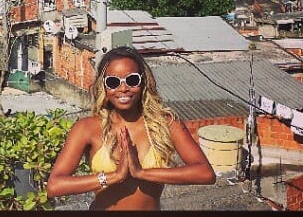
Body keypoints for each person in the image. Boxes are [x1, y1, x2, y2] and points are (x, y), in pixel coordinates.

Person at [46, 46, 216, 210]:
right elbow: (55, 185)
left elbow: (205, 173)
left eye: (132, 80)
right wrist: (115, 176)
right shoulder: (87, 128)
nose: (123, 88)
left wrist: (142, 173)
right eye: (113, 82)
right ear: (103, 86)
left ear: (143, 81)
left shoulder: (166, 124)